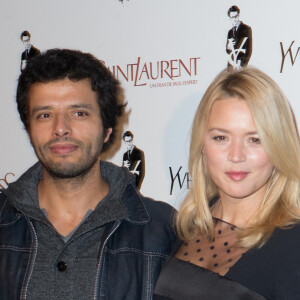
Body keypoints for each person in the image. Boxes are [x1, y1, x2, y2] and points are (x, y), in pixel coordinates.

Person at [0, 49, 178, 300]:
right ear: (29, 129)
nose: (60, 128)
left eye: (79, 113)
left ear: (106, 129)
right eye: (45, 115)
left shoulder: (165, 233)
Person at [154, 67, 300, 299]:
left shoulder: (293, 245)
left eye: (254, 139)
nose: (236, 155)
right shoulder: (183, 227)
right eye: (221, 137)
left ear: (278, 146)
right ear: (202, 145)